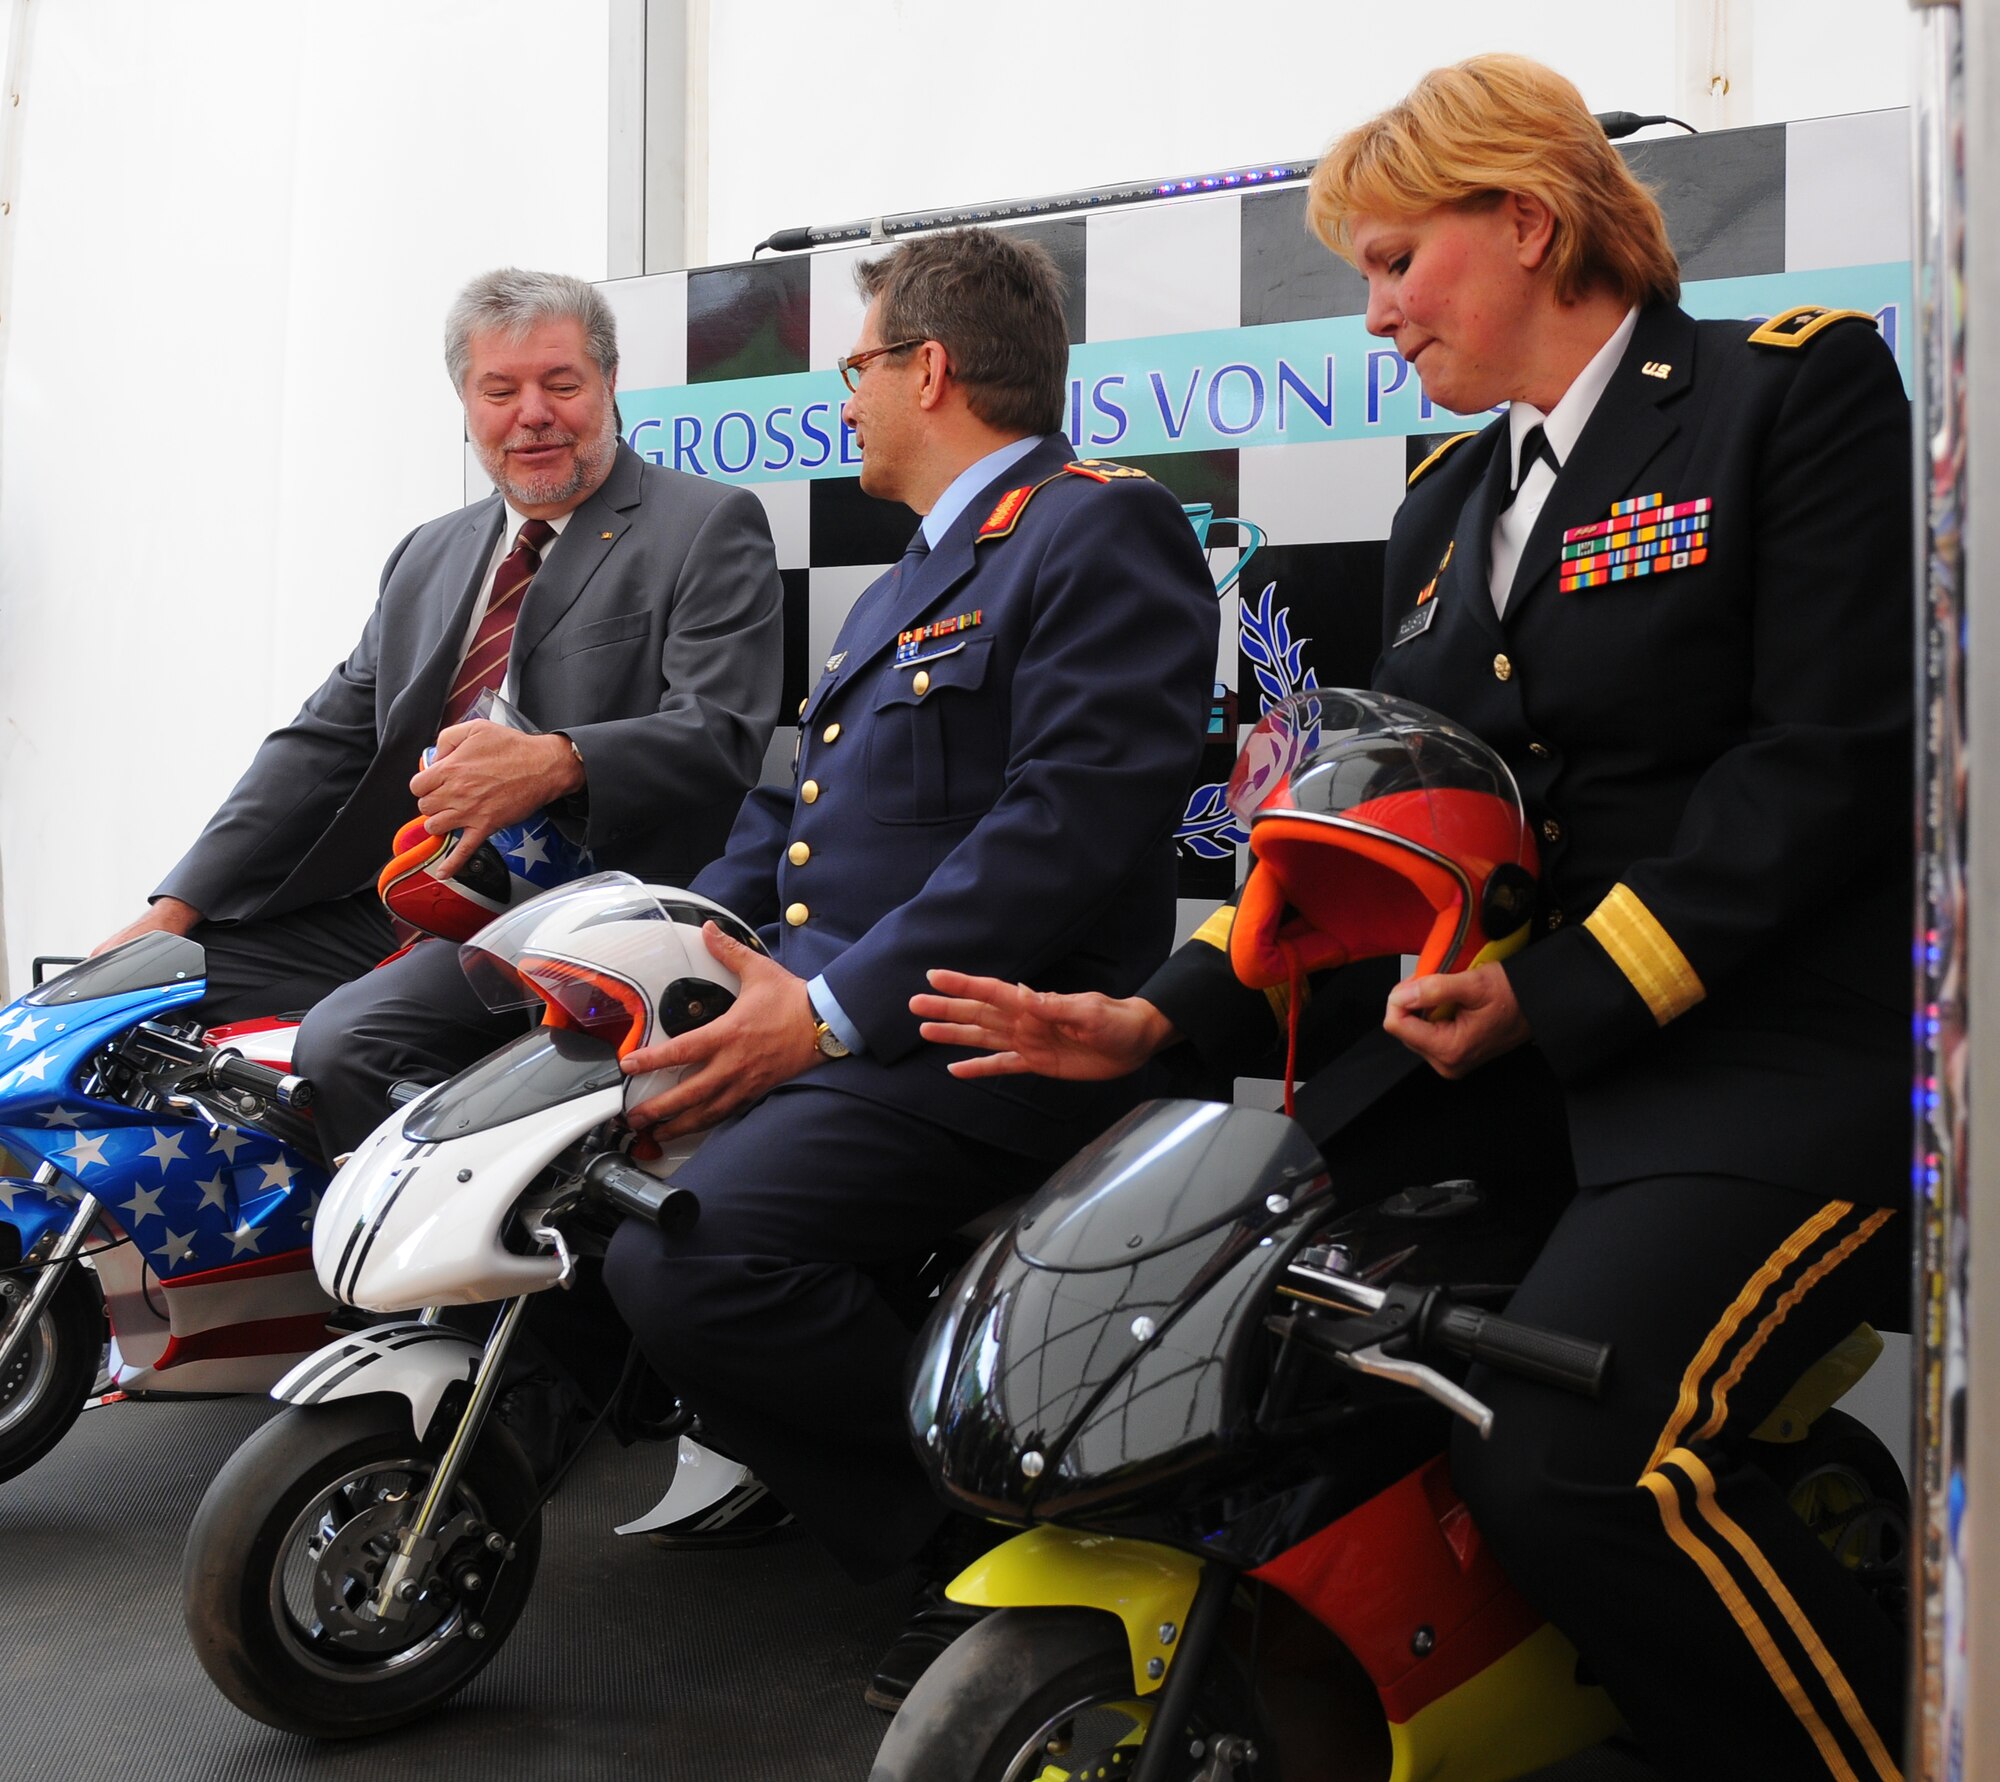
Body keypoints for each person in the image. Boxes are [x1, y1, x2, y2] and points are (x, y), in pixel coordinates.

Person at [913, 56, 1912, 1782]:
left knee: (1576, 1461)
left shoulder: (1783, 398)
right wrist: (1162, 1019)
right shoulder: (1453, 499)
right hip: (1493, 1059)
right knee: (1208, 1305)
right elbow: (1366, 820)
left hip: (1757, 1060)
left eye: (1393, 261)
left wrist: (1565, 989)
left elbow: (1825, 772)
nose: (1372, 312)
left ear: (1526, 220)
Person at [596, 226, 1218, 1707]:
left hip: (977, 1042)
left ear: (930, 366)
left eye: (860, 362)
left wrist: (814, 1018)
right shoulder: (910, 577)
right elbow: (782, 817)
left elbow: (1058, 830)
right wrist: (686, 952)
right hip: (834, 1023)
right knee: (577, 1153)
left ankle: (987, 1531)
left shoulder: (1093, 529)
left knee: (694, 1252)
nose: (846, 394)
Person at [94, 268, 784, 1161]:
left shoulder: (707, 522)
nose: (531, 413)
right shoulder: (429, 553)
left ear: (610, 386)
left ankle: (406, 1292)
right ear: (466, 400)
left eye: (561, 384)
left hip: (579, 916)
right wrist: (175, 909)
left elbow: (723, 731)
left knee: (346, 1043)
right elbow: (322, 743)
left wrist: (558, 761)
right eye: (500, 390)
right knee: (138, 994)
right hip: (410, 898)